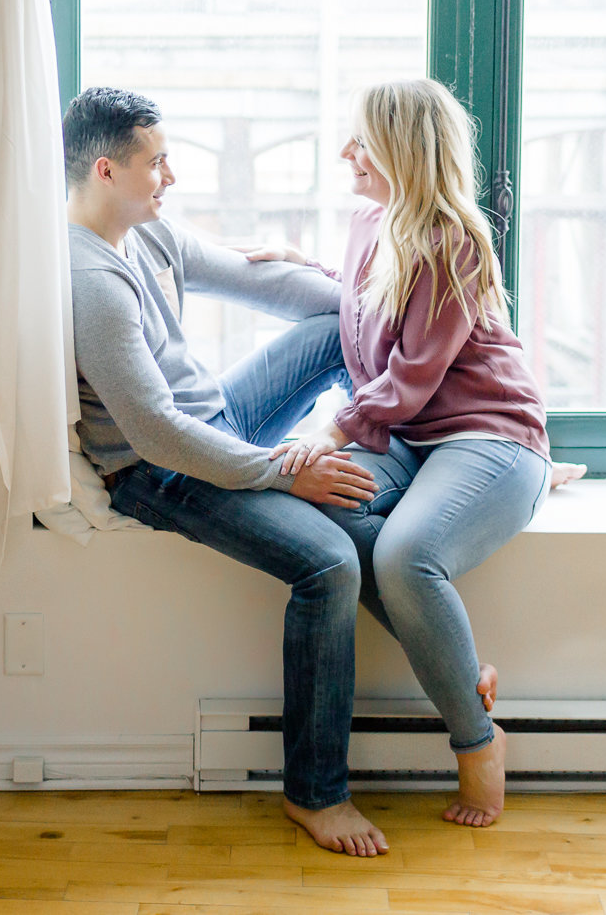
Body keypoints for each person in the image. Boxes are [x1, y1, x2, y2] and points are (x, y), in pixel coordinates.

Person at [62, 86, 397, 857]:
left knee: (328, 330)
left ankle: (423, 440)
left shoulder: (149, 234)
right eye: (159, 163)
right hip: (159, 470)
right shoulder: (90, 281)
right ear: (108, 170)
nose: (172, 175)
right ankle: (316, 794)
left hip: (218, 418)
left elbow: (270, 286)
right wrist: (285, 472)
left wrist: (381, 305)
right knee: (329, 561)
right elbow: (155, 432)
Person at [254, 78, 567, 829]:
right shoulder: (369, 220)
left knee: (403, 555)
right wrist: (301, 264)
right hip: (409, 435)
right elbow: (364, 301)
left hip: (488, 434)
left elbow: (413, 374)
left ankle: (477, 741)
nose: (345, 153)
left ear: (401, 147)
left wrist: (329, 430)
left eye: (360, 140)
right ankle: (464, 669)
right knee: (323, 520)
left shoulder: (455, 238)